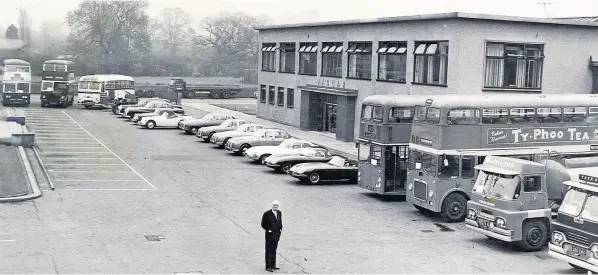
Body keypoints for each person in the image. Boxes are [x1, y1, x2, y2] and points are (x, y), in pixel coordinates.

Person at [261, 200, 283, 272]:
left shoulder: (279, 213)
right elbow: (263, 223)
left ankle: (273, 265)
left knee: (274, 249)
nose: (276, 207)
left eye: (277, 206)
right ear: (272, 206)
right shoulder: (267, 213)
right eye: (274, 205)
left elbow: (280, 221)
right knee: (269, 250)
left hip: (276, 234)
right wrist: (268, 229)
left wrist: (280, 229)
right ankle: (268, 266)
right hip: (269, 234)